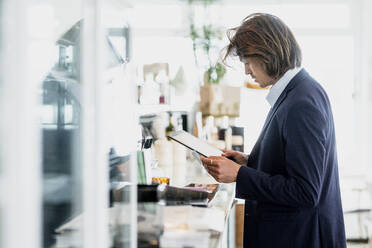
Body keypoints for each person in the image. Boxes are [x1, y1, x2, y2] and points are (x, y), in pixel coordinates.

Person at [200, 13, 346, 248]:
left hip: (300, 237)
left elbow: (305, 191)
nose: (247, 71)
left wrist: (239, 174)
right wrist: (248, 162)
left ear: (268, 54)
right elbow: (292, 162)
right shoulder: (299, 92)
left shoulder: (302, 103)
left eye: (248, 62)